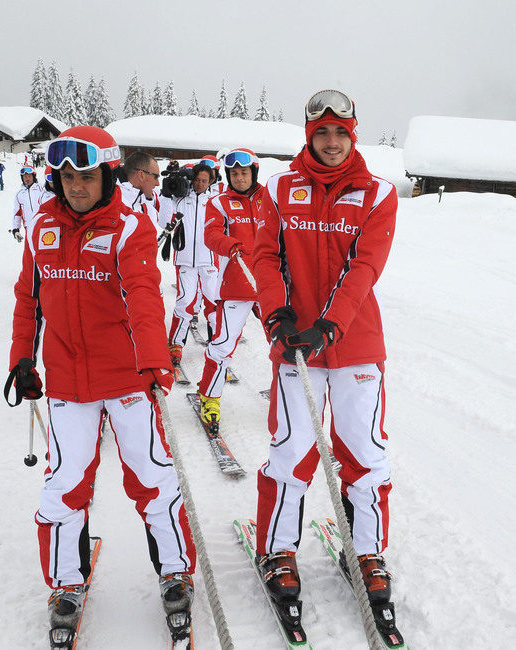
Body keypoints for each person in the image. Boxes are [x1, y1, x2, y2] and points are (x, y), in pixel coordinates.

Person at [6, 125, 196, 638]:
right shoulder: (44, 226)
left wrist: (156, 360)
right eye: (66, 176)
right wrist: (22, 359)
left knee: (152, 477)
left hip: (128, 379)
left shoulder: (130, 228)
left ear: (109, 174)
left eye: (86, 175)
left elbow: (143, 295)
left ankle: (176, 572)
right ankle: (68, 580)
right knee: (64, 485)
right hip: (67, 382)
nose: (74, 185)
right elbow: (29, 298)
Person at [252, 90, 399, 609]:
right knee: (291, 451)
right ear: (308, 134)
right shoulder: (278, 189)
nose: (331, 142)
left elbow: (365, 267)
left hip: (355, 344)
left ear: (352, 134)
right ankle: (277, 550)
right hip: (295, 345)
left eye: (341, 132)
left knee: (364, 452)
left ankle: (367, 552)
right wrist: (277, 310)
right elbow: (264, 256)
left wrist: (330, 325)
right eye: (322, 133)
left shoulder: (378, 193)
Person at [195, 148, 264, 427]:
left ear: (254, 173)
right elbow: (211, 235)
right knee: (222, 345)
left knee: (285, 346)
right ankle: (209, 397)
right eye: (233, 173)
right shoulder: (220, 202)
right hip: (236, 285)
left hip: (271, 285)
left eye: (244, 172)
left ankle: (291, 399)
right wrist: (229, 244)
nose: (239, 177)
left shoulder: (270, 199)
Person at [166, 163, 219, 373]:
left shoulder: (214, 201)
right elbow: (164, 222)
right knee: (185, 301)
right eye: (197, 180)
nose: (199, 184)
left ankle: (217, 344)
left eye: (204, 181)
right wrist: (166, 195)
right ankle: (176, 345)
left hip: (209, 261)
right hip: (186, 259)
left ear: (210, 182)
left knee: (214, 302)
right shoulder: (180, 198)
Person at [10, 165, 51, 242]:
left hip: (45, 225)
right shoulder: (19, 194)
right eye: (24, 177)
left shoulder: (42, 188)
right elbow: (17, 213)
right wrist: (16, 229)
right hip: (29, 228)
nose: (27, 178)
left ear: (33, 176)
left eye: (29, 176)